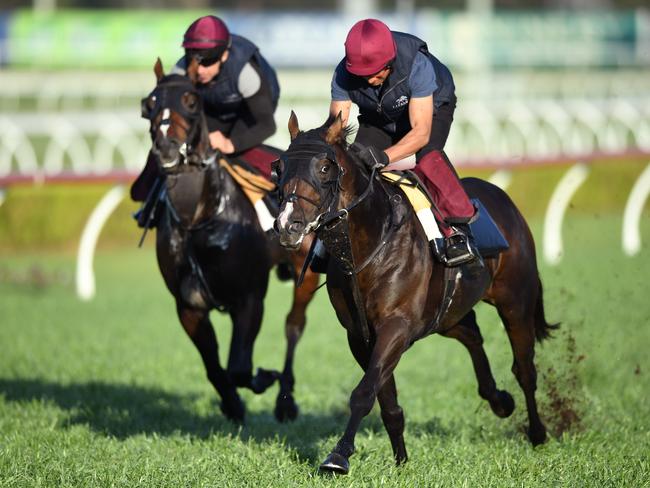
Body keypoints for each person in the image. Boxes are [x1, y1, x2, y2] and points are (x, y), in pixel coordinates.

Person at [329, 18, 478, 266]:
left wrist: (385, 157)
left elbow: (420, 133)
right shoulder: (344, 72)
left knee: (428, 157)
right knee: (353, 161)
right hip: (379, 117)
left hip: (431, 108)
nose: (367, 82)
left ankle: (459, 230)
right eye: (361, 76)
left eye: (374, 75)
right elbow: (336, 125)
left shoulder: (417, 65)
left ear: (390, 64)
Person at [131, 15, 281, 229]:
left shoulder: (246, 73)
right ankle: (151, 205)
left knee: (237, 156)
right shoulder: (181, 70)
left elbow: (267, 125)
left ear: (224, 55)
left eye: (208, 62)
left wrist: (230, 143)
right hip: (210, 111)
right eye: (195, 59)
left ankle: (270, 211)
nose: (200, 70)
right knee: (171, 146)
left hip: (249, 114)